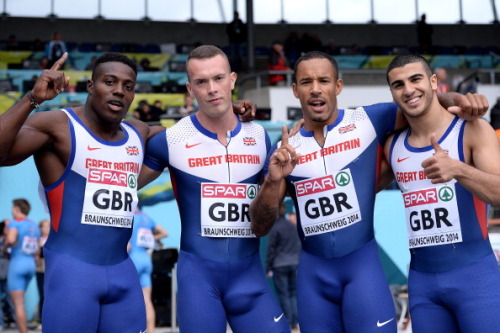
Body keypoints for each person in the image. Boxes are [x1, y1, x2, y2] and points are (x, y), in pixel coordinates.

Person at [249, 51, 488, 333]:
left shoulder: (368, 120)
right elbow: (260, 226)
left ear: (338, 86)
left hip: (362, 270)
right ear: (295, 90)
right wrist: (273, 181)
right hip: (314, 278)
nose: (315, 88)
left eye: (323, 80)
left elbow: (417, 102)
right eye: (306, 82)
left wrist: (459, 100)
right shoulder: (285, 149)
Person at [139, 45, 291, 333]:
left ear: (232, 79)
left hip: (250, 277)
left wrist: (273, 183)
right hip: (199, 280)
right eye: (201, 82)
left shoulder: (259, 136)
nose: (211, 88)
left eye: (218, 78)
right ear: (189, 88)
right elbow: (123, 181)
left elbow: (271, 211)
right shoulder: (171, 139)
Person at [0, 52, 153, 332]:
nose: (119, 90)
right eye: (110, 81)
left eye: (128, 86)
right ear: (91, 86)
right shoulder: (58, 126)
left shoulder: (138, 133)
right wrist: (31, 99)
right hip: (72, 276)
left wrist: (230, 113)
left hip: (124, 277)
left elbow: (191, 139)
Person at [384, 54, 500, 333]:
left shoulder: (472, 129)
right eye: (398, 84)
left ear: (434, 81)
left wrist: (459, 170)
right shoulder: (392, 145)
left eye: (415, 79)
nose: (408, 89)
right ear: (392, 93)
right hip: (423, 287)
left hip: (476, 278)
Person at [2, 199, 40, 333]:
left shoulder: (15, 222)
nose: (12, 211)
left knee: (18, 304)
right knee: (21, 301)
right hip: (30, 265)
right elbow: (37, 250)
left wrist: (4, 247)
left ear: (17, 209)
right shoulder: (34, 225)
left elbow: (11, 239)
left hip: (17, 263)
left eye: (13, 208)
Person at [129, 206, 168, 333]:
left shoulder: (129, 216)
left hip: (132, 260)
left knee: (126, 299)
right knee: (147, 300)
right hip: (146, 260)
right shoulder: (146, 218)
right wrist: (152, 239)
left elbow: (128, 245)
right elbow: (164, 233)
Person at [266, 208, 301, 331]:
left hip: (279, 265)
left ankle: (289, 322)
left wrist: (268, 268)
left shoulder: (275, 228)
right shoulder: (292, 227)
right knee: (293, 294)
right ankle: (295, 321)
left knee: (284, 295)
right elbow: (298, 245)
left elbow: (271, 250)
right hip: (294, 263)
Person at [35, 219, 49, 331]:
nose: (46, 228)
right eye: (44, 226)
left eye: (48, 226)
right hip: (40, 271)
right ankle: (41, 321)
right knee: (42, 296)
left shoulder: (53, 240)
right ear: (40, 228)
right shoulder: (37, 240)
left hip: (51, 272)